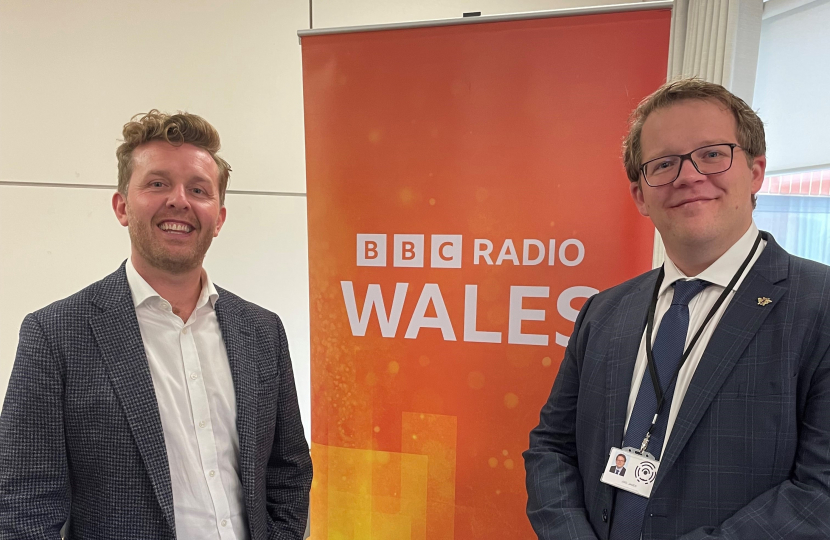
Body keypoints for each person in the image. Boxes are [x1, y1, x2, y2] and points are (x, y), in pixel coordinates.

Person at [524, 78, 830, 539]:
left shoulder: (819, 305)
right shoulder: (604, 312)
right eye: (664, 163)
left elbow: (819, 494)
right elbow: (551, 448)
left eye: (711, 154)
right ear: (640, 196)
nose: (688, 175)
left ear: (756, 171)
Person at [0, 111, 312, 539]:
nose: (179, 200)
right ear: (122, 206)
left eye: (198, 189)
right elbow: (23, 505)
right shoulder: (55, 335)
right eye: (158, 183)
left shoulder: (262, 331)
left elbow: (289, 470)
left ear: (218, 217)